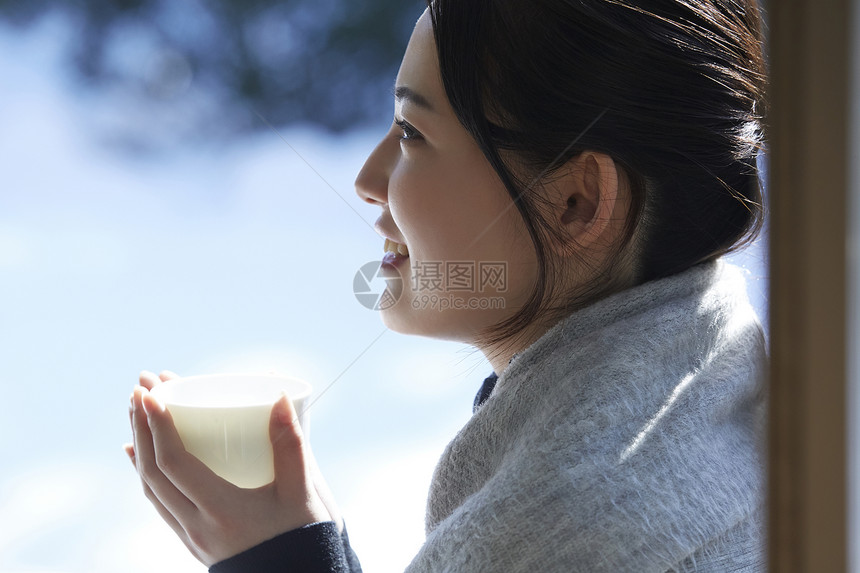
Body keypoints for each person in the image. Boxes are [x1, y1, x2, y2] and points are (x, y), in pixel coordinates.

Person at [125, 0, 768, 571]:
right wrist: (305, 538)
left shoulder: (559, 522)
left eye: (411, 133)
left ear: (575, 201)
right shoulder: (727, 376)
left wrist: (277, 562)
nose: (368, 179)